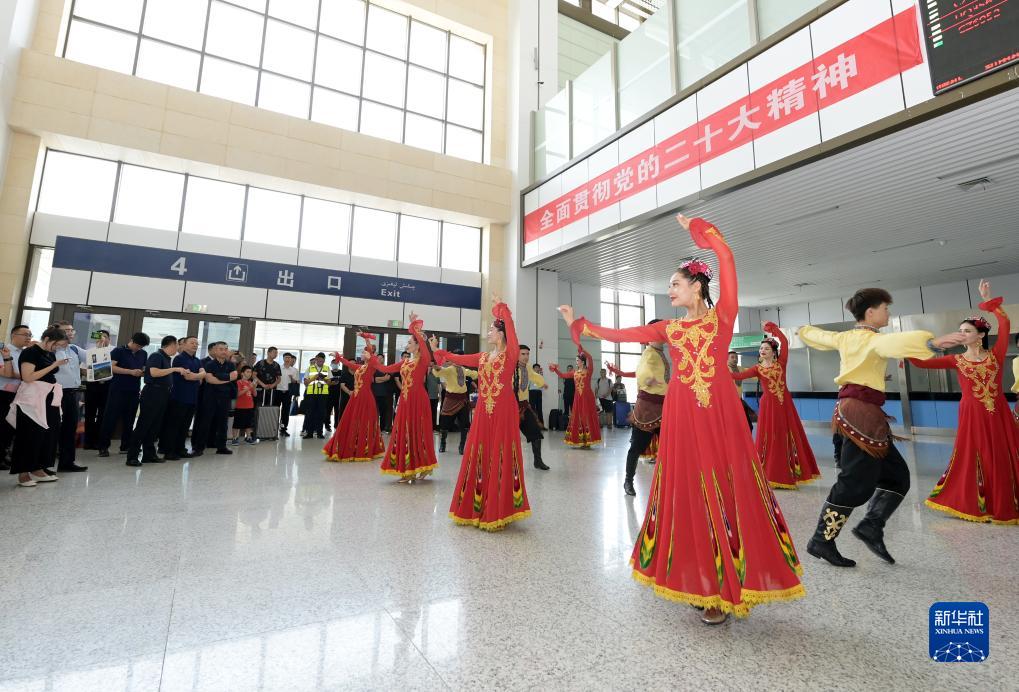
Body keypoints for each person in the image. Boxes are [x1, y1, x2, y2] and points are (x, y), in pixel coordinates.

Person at [559, 214, 805, 624]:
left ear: (696, 286)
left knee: (725, 488)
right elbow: (624, 334)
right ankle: (702, 579)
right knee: (689, 490)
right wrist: (578, 325)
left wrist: (702, 232)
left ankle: (728, 581)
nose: (669, 290)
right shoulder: (670, 329)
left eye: (675, 284)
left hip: (719, 416)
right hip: (682, 417)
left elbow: (727, 259)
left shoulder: (722, 317)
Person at [799, 289, 965, 567]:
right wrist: (931, 342)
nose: (888, 313)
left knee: (897, 477)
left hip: (861, 413)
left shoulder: (846, 337)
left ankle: (871, 526)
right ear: (870, 312)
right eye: (885, 308)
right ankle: (821, 540)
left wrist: (803, 330)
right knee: (854, 483)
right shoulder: (872, 339)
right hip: (861, 415)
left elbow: (818, 336)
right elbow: (893, 343)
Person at [907, 280, 1019, 524]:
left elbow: (1005, 323)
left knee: (1003, 455)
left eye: (967, 331)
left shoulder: (996, 355)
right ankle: (978, 503)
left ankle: (1006, 503)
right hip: (972, 414)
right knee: (976, 455)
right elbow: (919, 362)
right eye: (960, 331)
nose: (962, 334)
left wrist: (988, 301)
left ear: (981, 335)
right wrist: (931, 344)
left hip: (998, 411)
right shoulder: (956, 360)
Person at [435, 299, 531, 530]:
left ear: (501, 334)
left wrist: (505, 312)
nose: (488, 332)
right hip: (482, 412)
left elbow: (513, 334)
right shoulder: (482, 357)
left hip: (503, 411)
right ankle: (478, 505)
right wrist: (441, 352)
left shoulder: (510, 354)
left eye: (491, 329)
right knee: (480, 453)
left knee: (501, 453)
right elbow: (459, 359)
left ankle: (500, 508)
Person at [731, 323, 821, 489]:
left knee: (786, 436)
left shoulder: (781, 363)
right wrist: (717, 369)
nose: (762, 350)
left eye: (766, 348)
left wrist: (773, 329)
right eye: (761, 348)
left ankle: (789, 474)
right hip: (769, 406)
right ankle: (770, 474)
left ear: (773, 351)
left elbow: (784, 342)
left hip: (784, 404)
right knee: (771, 437)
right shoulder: (757, 369)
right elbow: (738, 376)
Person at [605, 320, 669, 496]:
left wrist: (621, 373)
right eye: (659, 331)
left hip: (664, 406)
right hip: (648, 409)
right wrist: (648, 380)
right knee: (637, 447)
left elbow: (640, 372)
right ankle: (628, 480)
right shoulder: (649, 353)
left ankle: (669, 481)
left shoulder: (658, 353)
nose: (663, 334)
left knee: (670, 447)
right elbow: (642, 374)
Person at [377, 318, 438, 482]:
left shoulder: (423, 360)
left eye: (410, 342)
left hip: (418, 400)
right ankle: (409, 467)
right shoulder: (405, 362)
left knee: (418, 432)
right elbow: (385, 368)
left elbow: (426, 351)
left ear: (418, 345)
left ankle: (419, 467)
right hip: (405, 401)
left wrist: (416, 330)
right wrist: (372, 360)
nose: (407, 345)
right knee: (404, 433)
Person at [7, 326, 69, 487]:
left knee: (48, 434)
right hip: (32, 398)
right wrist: (53, 365)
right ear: (47, 339)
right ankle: (23, 473)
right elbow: (28, 377)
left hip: (48, 396)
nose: (56, 348)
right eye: (56, 345)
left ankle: (38, 468)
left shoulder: (49, 353)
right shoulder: (30, 352)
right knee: (29, 434)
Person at [324, 335, 386, 462]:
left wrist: (367, 340)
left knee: (364, 422)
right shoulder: (360, 367)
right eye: (363, 352)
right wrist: (338, 357)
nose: (362, 354)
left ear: (369, 355)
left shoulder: (371, 366)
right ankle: (352, 446)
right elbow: (348, 363)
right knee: (351, 420)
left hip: (365, 397)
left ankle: (364, 448)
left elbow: (372, 355)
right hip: (356, 397)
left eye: (364, 352)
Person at [126, 335, 182, 466]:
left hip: (163, 393)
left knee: (154, 426)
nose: (178, 348)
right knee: (144, 425)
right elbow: (154, 372)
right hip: (153, 392)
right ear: (171, 344)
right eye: (177, 345)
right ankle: (132, 456)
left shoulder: (166, 358)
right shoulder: (157, 356)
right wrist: (174, 369)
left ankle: (149, 454)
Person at [98, 332, 150, 457]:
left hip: (133, 390)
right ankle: (103, 447)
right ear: (132, 341)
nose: (139, 348)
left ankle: (125, 445)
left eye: (141, 347)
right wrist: (130, 372)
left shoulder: (143, 354)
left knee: (129, 420)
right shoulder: (119, 351)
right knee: (110, 418)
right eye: (137, 345)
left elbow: (144, 368)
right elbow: (110, 367)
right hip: (117, 389)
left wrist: (143, 372)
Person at [52, 321, 88, 472]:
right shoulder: (51, 349)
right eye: (66, 330)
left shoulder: (74, 348)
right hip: (55, 393)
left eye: (72, 330)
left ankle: (67, 462)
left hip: (72, 393)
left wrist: (101, 348)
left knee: (70, 428)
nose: (71, 333)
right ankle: (44, 464)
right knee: (53, 428)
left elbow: (94, 358)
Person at [161, 336, 204, 460]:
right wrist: (198, 376)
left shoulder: (197, 360)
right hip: (179, 397)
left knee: (185, 426)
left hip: (192, 398)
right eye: (192, 343)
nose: (195, 345)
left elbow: (204, 375)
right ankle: (169, 451)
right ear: (183, 345)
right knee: (174, 425)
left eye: (196, 343)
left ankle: (180, 449)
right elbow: (188, 377)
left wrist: (197, 375)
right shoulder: (179, 359)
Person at [192, 341, 238, 456]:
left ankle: (221, 447)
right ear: (215, 351)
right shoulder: (209, 364)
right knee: (205, 422)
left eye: (225, 349)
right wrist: (227, 378)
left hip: (225, 397)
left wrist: (218, 376)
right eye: (221, 349)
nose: (224, 351)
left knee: (223, 423)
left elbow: (234, 376)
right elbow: (210, 379)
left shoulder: (231, 365)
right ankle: (199, 448)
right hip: (210, 397)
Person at [549, 348, 601, 448]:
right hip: (578, 397)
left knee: (586, 415)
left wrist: (583, 350)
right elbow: (563, 375)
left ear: (582, 361)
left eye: (577, 360)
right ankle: (580, 440)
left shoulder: (588, 371)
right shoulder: (574, 372)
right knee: (578, 416)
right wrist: (555, 369)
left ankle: (588, 441)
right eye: (576, 360)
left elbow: (590, 358)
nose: (576, 362)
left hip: (587, 396)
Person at [1, 324, 34, 469]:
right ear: (14, 335)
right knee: (3, 425)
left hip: (21, 394)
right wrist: (27, 375)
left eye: (30, 335)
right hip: (4, 393)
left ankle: (5, 455)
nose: (28, 338)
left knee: (12, 427)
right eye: (25, 334)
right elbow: (6, 373)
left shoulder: (26, 353)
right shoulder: (4, 351)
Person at [431, 350, 476, 455]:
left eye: (460, 358)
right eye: (456, 358)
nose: (458, 360)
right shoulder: (449, 369)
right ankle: (443, 444)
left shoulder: (463, 369)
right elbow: (439, 371)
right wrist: (437, 367)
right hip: (450, 399)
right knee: (445, 423)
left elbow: (474, 374)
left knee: (465, 424)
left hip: (463, 400)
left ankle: (462, 446)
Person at [515, 344, 550, 470]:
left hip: (524, 406)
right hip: (510, 408)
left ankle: (538, 461)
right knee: (507, 438)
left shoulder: (528, 367)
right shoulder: (510, 368)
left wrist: (543, 383)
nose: (526, 357)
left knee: (536, 432)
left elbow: (534, 376)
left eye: (527, 354)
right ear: (516, 354)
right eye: (523, 354)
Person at [82, 329, 110, 450]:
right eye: (99, 337)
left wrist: (99, 372)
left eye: (105, 337)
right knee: (90, 414)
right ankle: (88, 442)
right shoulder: (90, 351)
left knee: (103, 415)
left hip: (107, 386)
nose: (102, 339)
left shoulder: (113, 351)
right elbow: (83, 370)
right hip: (92, 386)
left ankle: (99, 441)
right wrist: (98, 373)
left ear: (109, 339)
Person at [302, 353, 331, 439]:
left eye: (322, 361)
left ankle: (319, 433)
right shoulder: (309, 368)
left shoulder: (327, 368)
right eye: (319, 361)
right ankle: (309, 433)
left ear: (324, 360)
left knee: (321, 413)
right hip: (311, 394)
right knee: (310, 413)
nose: (320, 362)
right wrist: (314, 377)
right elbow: (305, 383)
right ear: (316, 359)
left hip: (323, 395)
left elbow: (329, 383)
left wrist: (324, 378)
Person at [728, 350, 756, 433]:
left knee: (748, 426)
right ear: (727, 359)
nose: (735, 359)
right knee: (732, 427)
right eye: (732, 357)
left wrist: (762, 373)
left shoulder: (740, 368)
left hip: (739, 401)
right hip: (728, 402)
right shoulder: (724, 369)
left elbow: (751, 373)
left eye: (736, 357)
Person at [230, 365, 258, 445]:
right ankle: (234, 438)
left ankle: (248, 437)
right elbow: (238, 394)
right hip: (240, 406)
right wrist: (249, 387)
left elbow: (255, 394)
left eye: (250, 372)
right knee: (237, 423)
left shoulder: (250, 382)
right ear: (242, 373)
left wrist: (254, 387)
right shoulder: (239, 382)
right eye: (247, 372)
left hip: (249, 406)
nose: (249, 374)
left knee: (248, 423)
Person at [278, 352, 299, 437]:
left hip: (288, 393)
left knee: (285, 412)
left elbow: (296, 382)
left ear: (291, 359)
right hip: (278, 391)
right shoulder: (278, 368)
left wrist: (292, 379)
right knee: (276, 410)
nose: (287, 359)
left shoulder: (294, 370)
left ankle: (283, 429)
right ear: (283, 358)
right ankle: (274, 428)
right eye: (286, 357)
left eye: (289, 358)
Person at [372, 363, 394, 433]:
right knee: (373, 413)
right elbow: (373, 380)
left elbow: (388, 378)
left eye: (381, 358)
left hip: (384, 394)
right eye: (378, 358)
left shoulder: (386, 368)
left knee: (383, 413)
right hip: (373, 394)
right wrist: (383, 378)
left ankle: (382, 429)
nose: (379, 359)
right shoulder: (373, 369)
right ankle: (373, 428)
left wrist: (378, 379)